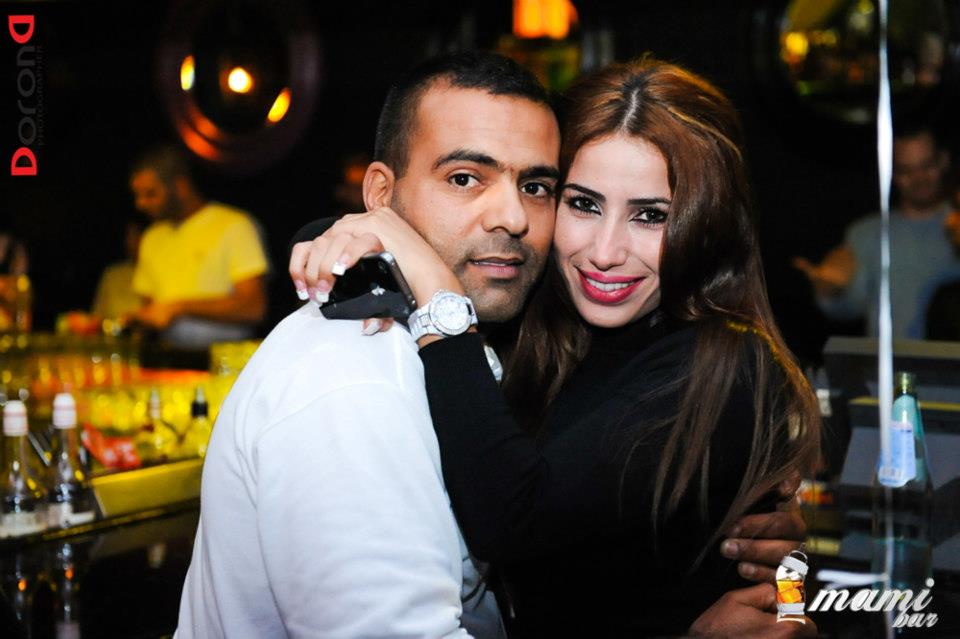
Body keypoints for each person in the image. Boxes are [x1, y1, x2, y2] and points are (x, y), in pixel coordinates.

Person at [289, 57, 819, 637]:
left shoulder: (724, 365)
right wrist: (352, 237)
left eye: (650, 216)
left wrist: (439, 296)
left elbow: (511, 518)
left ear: (706, 223)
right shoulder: (538, 319)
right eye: (583, 203)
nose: (605, 253)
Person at [793, 125, 960, 338]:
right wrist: (831, 290)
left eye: (927, 166)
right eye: (906, 170)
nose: (919, 178)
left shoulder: (956, 222)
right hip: (891, 356)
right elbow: (852, 307)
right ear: (890, 171)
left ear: (944, 160)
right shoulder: (867, 233)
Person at [128, 145, 269, 349]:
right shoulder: (152, 236)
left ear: (180, 186)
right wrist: (134, 319)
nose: (141, 204)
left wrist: (180, 307)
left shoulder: (234, 225)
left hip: (226, 357)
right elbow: (151, 310)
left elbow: (254, 308)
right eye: (138, 195)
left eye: (150, 194)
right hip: (167, 355)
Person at [91, 216, 147, 320]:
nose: (132, 242)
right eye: (128, 237)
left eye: (136, 235)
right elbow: (97, 315)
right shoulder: (112, 275)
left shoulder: (157, 272)